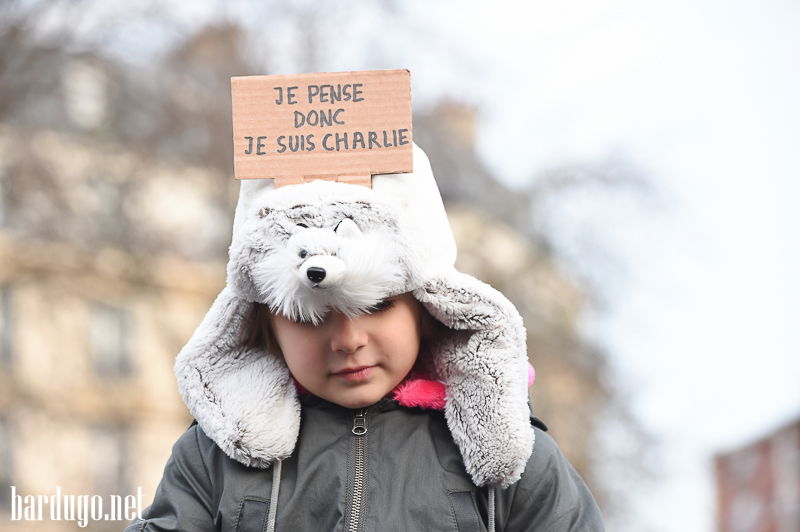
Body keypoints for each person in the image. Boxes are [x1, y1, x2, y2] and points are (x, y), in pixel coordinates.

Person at [125, 144, 604, 531]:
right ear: (264, 323)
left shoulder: (514, 459)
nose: (349, 339)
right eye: (312, 316)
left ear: (428, 306)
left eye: (376, 305)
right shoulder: (212, 460)